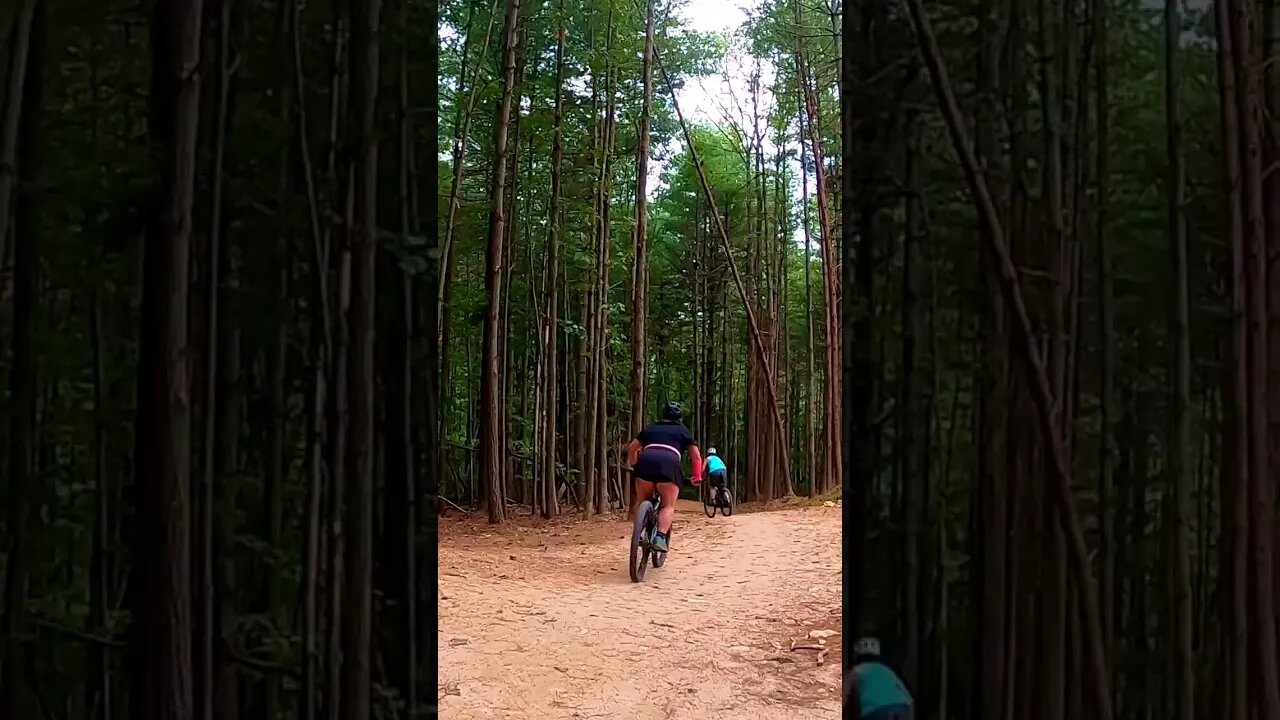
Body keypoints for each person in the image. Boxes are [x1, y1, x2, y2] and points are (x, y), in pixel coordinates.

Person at [625, 401, 702, 553]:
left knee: (642, 502)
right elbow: (696, 457)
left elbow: (633, 448)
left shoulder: (651, 427)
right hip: (669, 465)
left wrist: (635, 465)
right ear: (679, 418)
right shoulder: (683, 430)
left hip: (645, 463)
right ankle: (660, 537)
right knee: (667, 506)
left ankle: (639, 533)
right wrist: (697, 476)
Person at [845, 637, 913, 720]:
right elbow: (907, 696)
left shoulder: (856, 671)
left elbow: (843, 694)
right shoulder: (887, 670)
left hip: (876, 710)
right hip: (902, 707)